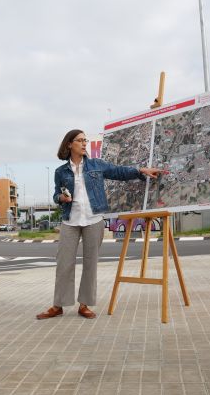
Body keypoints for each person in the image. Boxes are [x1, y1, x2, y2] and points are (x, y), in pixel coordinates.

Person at [37, 129, 163, 320]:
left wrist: (140, 171)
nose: (84, 143)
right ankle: (58, 305)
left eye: (85, 140)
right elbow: (56, 194)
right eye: (80, 140)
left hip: (93, 219)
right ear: (70, 144)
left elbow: (118, 171)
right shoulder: (60, 172)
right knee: (64, 263)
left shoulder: (96, 165)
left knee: (90, 264)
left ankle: (84, 305)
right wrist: (60, 197)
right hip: (70, 220)